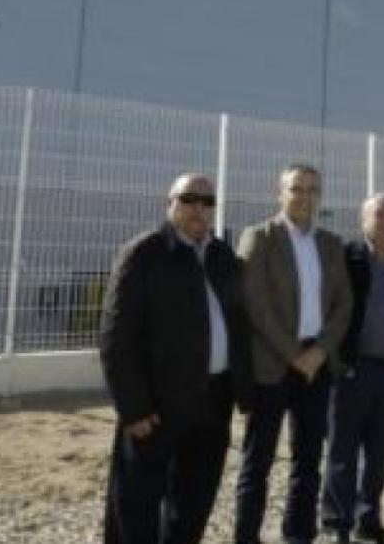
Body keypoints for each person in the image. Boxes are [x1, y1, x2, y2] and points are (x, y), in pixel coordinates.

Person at [100, 173, 254, 544]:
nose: (199, 208)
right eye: (189, 199)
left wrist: (244, 394)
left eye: (207, 201)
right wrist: (133, 409)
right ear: (170, 203)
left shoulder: (221, 256)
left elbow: (238, 325)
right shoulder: (145, 253)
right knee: (137, 507)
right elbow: (116, 337)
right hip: (156, 407)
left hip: (212, 403)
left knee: (193, 504)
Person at [234, 164, 354, 544]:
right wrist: (293, 354)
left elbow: (344, 305)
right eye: (296, 189)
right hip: (272, 365)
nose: (305, 197)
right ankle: (246, 537)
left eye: (312, 190)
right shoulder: (259, 237)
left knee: (307, 462)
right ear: (280, 193)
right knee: (258, 463)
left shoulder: (331, 244)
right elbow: (255, 305)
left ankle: (298, 535)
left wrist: (318, 351)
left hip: (316, 365)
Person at [320, 194, 384, 544]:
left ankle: (368, 518)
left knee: (379, 453)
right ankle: (337, 525)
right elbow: (329, 309)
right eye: (379, 214)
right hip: (353, 369)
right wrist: (337, 360)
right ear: (364, 219)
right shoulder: (348, 257)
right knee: (342, 452)